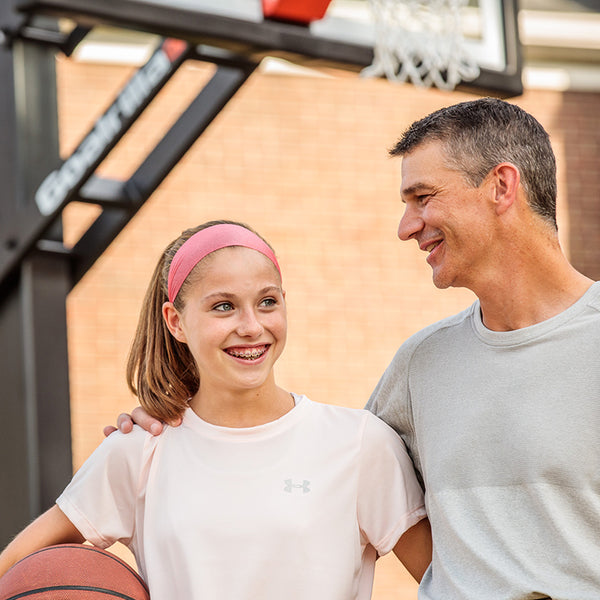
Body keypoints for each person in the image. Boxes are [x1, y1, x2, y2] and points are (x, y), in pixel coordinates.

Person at [117, 99, 600, 600]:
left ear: (501, 186)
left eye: (423, 197)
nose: (406, 225)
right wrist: (171, 427)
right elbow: (301, 458)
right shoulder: (422, 366)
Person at [0, 220, 432, 599]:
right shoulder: (139, 450)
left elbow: (450, 584)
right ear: (175, 322)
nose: (251, 326)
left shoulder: (358, 443)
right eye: (223, 306)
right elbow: (17, 567)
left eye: (267, 301)